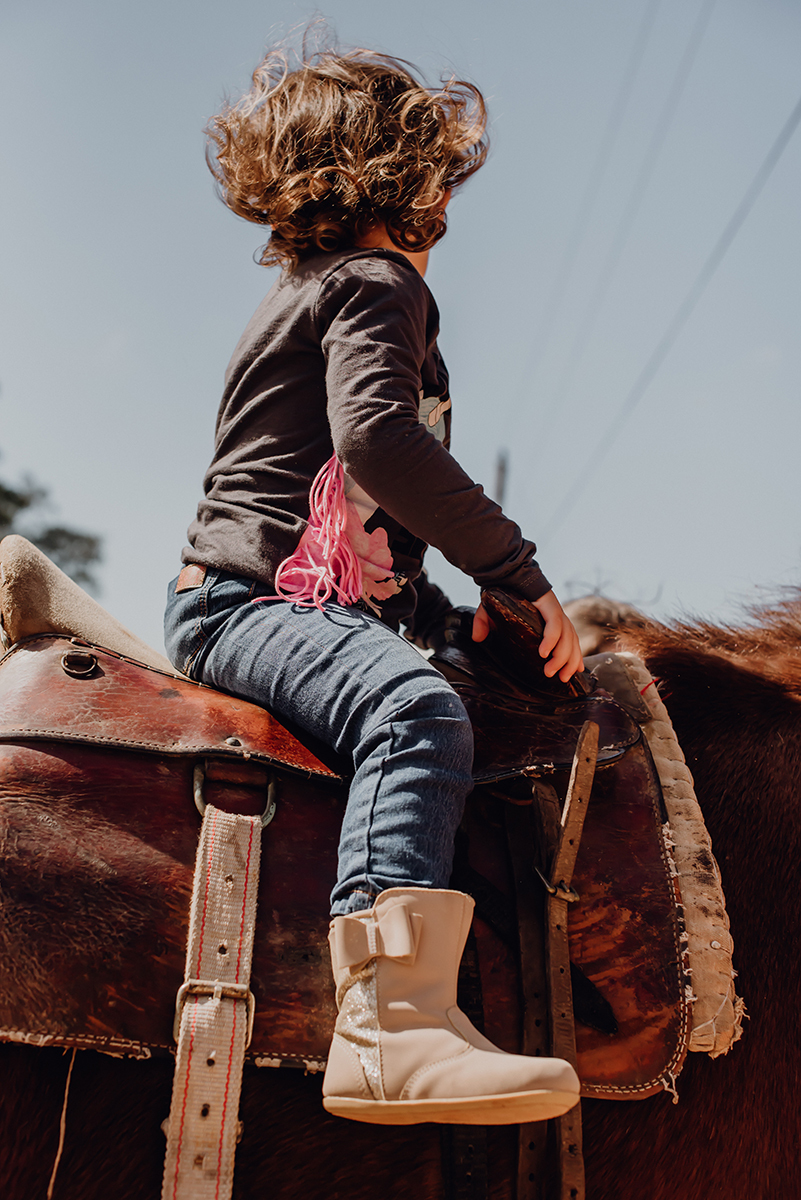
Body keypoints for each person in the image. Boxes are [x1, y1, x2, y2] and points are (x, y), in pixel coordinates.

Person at [164, 41, 583, 1127]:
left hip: (277, 595)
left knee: (428, 665)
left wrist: (454, 611)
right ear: (411, 181)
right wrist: (519, 575)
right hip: (248, 603)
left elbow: (363, 530)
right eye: (442, 177)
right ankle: (389, 1032)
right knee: (410, 709)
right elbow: (381, 443)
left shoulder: (315, 289)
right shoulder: (376, 283)